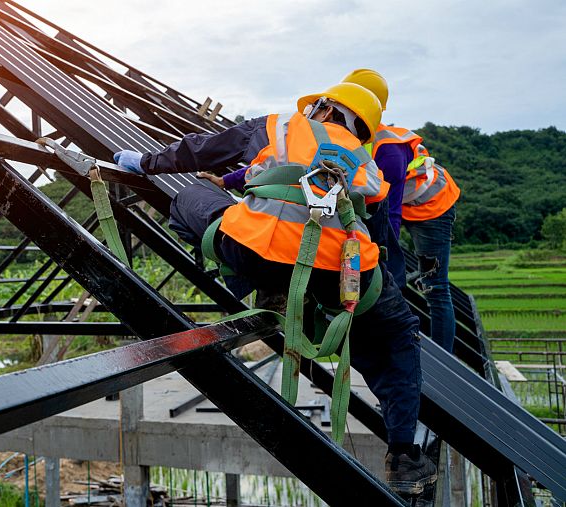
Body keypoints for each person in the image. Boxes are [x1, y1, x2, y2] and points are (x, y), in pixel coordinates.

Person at [115, 83, 437, 495]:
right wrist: (380, 290)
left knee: (191, 196)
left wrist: (144, 161)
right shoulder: (365, 161)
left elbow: (201, 149)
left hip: (254, 250)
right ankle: (405, 456)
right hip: (334, 270)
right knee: (395, 336)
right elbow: (376, 229)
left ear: (323, 107)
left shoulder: (279, 126)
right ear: (362, 128)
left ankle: (267, 289)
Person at [342, 69, 461, 353]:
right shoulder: (355, 138)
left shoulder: (389, 148)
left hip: (431, 207)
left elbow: (389, 213)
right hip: (406, 203)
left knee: (434, 286)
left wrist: (381, 258)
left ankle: (443, 357)